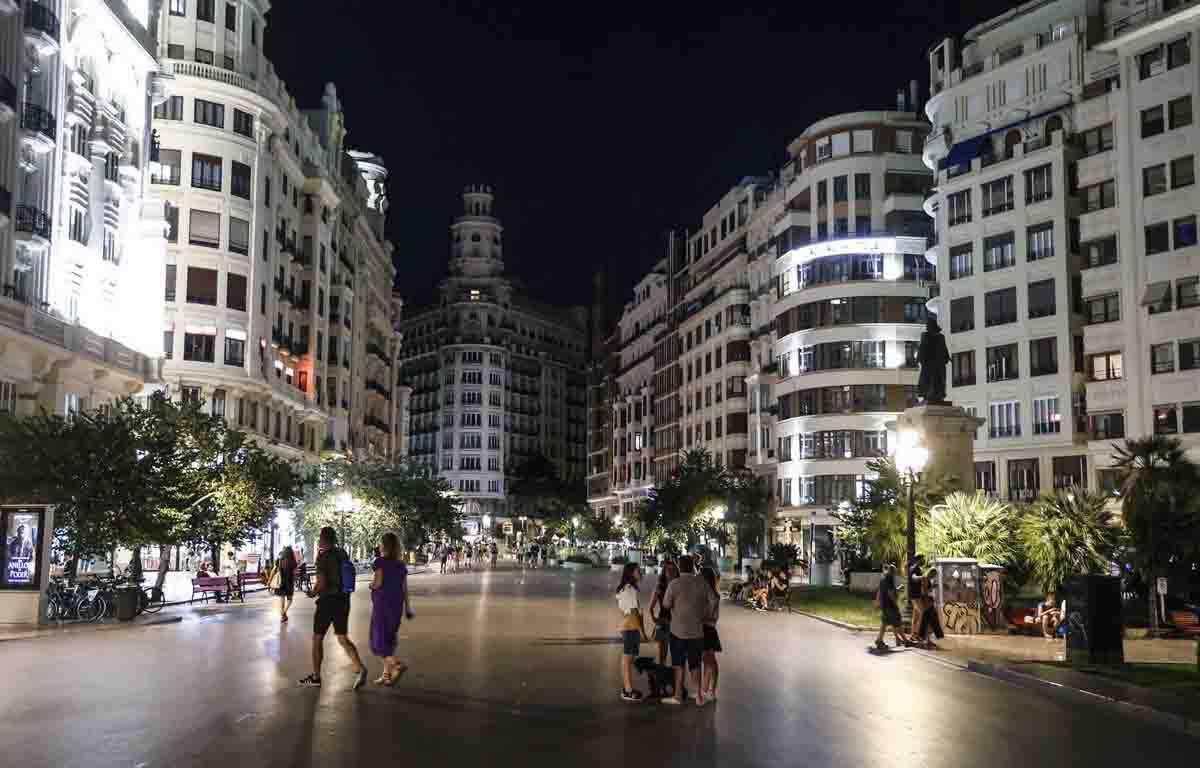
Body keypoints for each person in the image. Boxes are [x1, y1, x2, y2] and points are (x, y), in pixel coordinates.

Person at [298, 527, 367, 690]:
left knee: (317, 639)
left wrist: (313, 593)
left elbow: (321, 582)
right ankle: (359, 667)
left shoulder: (323, 557)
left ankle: (316, 677)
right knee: (342, 637)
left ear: (323, 539)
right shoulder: (342, 553)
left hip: (328, 601)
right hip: (343, 600)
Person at [661, 555, 708, 706]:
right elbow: (711, 601)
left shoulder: (674, 584)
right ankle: (699, 696)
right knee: (695, 664)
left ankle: (678, 696)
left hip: (678, 631)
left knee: (678, 664)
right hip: (697, 631)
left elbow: (666, 605)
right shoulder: (701, 583)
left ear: (679, 567)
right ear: (692, 566)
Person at [370, 532, 415, 685]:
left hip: (382, 605)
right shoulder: (400, 565)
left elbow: (378, 583)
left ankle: (396, 664)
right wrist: (408, 608)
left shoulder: (380, 562)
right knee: (388, 640)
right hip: (396, 606)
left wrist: (371, 585)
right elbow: (405, 588)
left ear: (384, 545)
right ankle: (386, 674)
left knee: (378, 641)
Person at [616, 562, 649, 702]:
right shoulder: (630, 589)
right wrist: (642, 632)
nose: (640, 572)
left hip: (627, 625)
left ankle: (628, 688)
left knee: (628, 658)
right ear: (630, 573)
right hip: (631, 626)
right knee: (628, 659)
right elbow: (635, 612)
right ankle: (628, 690)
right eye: (637, 571)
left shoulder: (626, 589)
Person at [648, 560, 679, 665]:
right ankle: (661, 674)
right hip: (664, 621)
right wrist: (654, 620)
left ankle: (672, 676)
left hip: (677, 622)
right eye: (668, 570)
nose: (670, 572)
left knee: (676, 653)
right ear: (664, 572)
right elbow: (650, 607)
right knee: (662, 653)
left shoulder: (679, 587)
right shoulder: (659, 587)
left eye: (673, 570)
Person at [875, 564, 909, 651]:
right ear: (892, 571)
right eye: (895, 572)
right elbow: (890, 593)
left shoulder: (883, 578)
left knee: (884, 623)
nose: (895, 574)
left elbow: (882, 591)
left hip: (884, 604)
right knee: (897, 622)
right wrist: (895, 603)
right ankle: (905, 641)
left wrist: (878, 602)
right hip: (890, 605)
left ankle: (879, 640)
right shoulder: (889, 579)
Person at [700, 566, 722, 702]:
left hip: (707, 629)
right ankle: (707, 690)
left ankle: (708, 691)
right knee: (709, 661)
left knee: (709, 662)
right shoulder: (711, 593)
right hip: (708, 629)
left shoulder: (711, 595)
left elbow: (710, 616)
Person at [275, 546, 297, 622]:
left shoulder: (280, 560)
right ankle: (283, 613)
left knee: (282, 599)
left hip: (281, 582)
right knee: (290, 600)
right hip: (289, 582)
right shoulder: (292, 562)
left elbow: (276, 570)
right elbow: (294, 572)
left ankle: (283, 616)